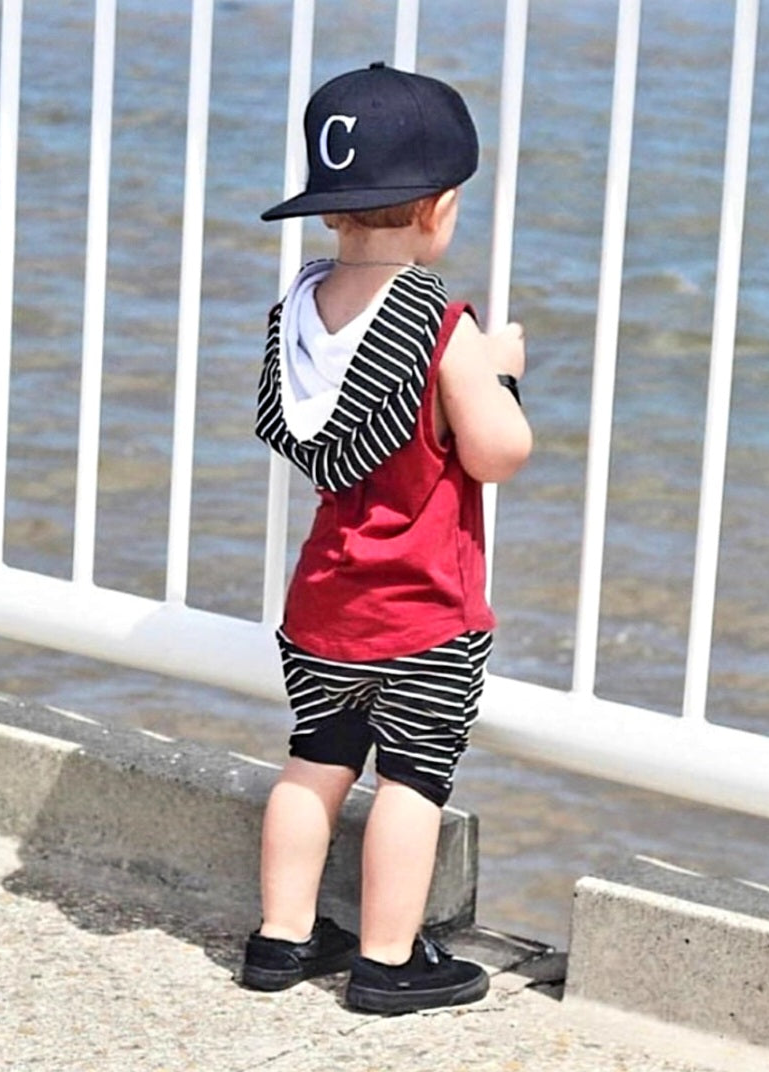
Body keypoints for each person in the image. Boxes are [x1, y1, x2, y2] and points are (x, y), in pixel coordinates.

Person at [241, 61, 533, 1014]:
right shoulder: (438, 325)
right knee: (412, 777)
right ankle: (387, 960)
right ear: (440, 209)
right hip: (424, 611)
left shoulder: (301, 309)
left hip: (323, 601)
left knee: (314, 758)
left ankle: (281, 941)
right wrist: (499, 372)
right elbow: (497, 455)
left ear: (330, 209)